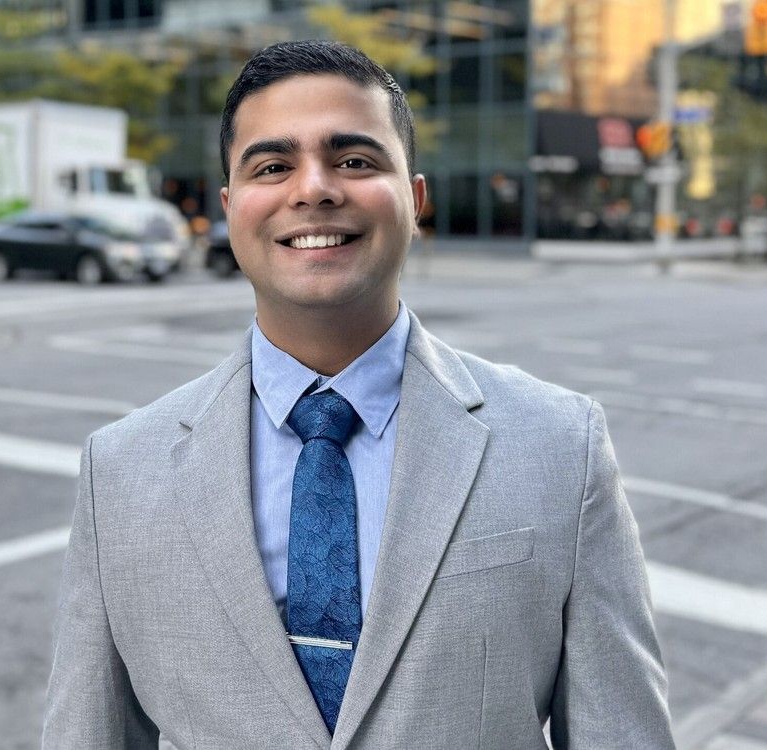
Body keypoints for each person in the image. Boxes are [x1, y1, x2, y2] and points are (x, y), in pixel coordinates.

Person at [43, 40, 675, 749]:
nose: (313, 189)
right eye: (273, 166)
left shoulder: (562, 444)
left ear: (416, 199)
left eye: (354, 160)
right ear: (230, 207)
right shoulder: (120, 470)